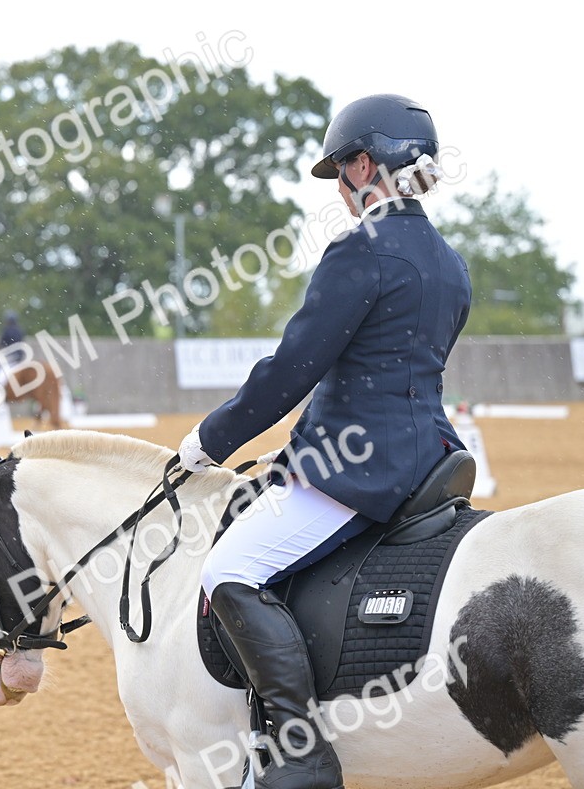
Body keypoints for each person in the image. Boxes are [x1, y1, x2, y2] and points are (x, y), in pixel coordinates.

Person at [177, 94, 471, 789]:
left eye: (341, 169)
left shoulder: (361, 251)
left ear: (365, 165)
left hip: (361, 471)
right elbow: (390, 376)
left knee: (228, 573)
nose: (340, 189)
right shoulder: (449, 262)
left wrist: (207, 441)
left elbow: (292, 370)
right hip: (431, 456)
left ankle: (298, 755)